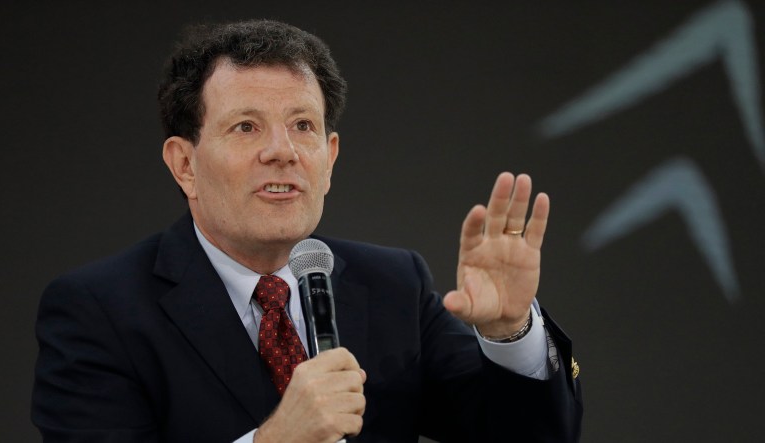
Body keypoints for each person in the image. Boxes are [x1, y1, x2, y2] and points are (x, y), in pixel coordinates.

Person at [31, 19, 582, 443]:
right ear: (184, 165)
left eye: (303, 126)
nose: (283, 152)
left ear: (331, 157)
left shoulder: (393, 284)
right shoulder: (98, 311)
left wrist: (511, 332)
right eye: (246, 127)